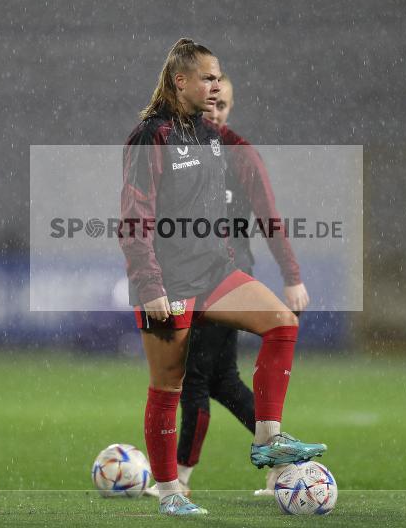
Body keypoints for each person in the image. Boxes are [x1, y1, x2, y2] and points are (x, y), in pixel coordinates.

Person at [119, 39, 325, 516]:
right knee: (169, 387)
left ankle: (267, 441)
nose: (216, 85)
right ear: (181, 82)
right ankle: (171, 493)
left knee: (282, 323)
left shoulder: (211, 137)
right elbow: (134, 217)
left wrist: (228, 256)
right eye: (208, 78)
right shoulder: (152, 136)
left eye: (218, 78)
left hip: (214, 273)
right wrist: (150, 286)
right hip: (169, 282)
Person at [174, 74, 310, 497]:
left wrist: (292, 276)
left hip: (224, 281)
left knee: (194, 379)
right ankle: (283, 463)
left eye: (222, 105)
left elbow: (270, 218)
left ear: (230, 108)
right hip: (194, 277)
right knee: (222, 381)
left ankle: (177, 480)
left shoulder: (240, 154)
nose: (214, 112)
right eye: (208, 104)